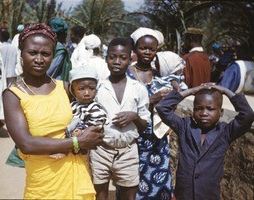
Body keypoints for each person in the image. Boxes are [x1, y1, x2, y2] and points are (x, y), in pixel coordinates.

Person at [3, 23, 104, 199]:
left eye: (46, 54)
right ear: (21, 54)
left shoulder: (65, 88)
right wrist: (77, 142)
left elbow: (94, 119)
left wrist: (91, 132)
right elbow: (27, 144)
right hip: (44, 183)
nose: (39, 59)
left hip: (77, 177)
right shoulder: (13, 95)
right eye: (33, 52)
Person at [156, 83, 254, 199]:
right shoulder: (185, 126)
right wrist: (191, 90)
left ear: (221, 112)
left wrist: (226, 91)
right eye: (198, 108)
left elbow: (247, 115)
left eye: (210, 109)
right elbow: (162, 108)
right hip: (184, 194)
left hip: (208, 195)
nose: (204, 113)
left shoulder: (225, 132)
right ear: (193, 111)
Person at [90, 38, 150, 200]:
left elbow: (144, 125)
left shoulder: (138, 89)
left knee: (128, 194)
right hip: (100, 149)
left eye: (123, 58)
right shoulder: (98, 87)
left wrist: (134, 116)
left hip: (128, 151)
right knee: (99, 194)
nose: (117, 61)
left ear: (130, 60)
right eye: (112, 57)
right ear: (106, 59)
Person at [126, 27, 175, 199]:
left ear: (157, 51)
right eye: (143, 48)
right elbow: (123, 107)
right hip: (134, 138)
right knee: (132, 183)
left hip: (158, 139)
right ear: (135, 49)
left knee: (160, 185)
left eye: (152, 49)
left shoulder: (161, 75)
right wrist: (150, 101)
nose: (147, 52)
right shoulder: (126, 75)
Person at [50, 65, 107, 159]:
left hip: (85, 136)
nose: (87, 93)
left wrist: (82, 130)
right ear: (73, 90)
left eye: (91, 88)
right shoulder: (73, 105)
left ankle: (65, 151)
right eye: (81, 89)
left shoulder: (95, 108)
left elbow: (98, 125)